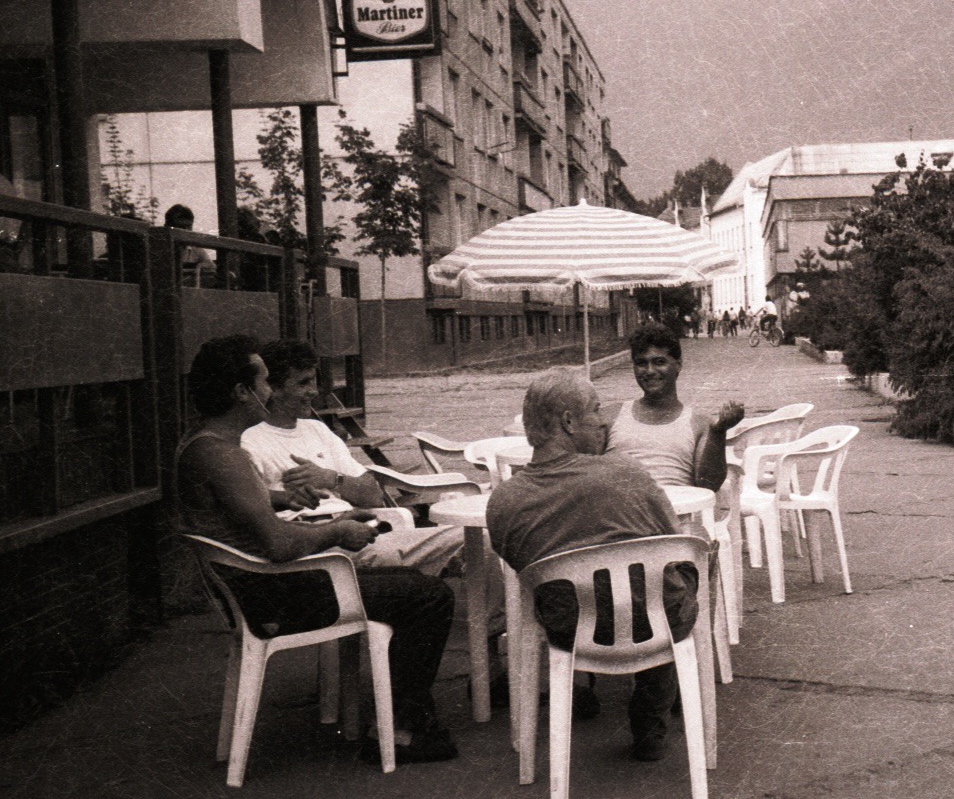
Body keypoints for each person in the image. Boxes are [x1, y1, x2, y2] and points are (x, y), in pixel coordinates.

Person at [175, 335, 457, 763]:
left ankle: (401, 718)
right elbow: (279, 542)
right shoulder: (223, 455)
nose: (268, 393)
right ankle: (401, 729)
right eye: (265, 382)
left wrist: (278, 499)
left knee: (410, 583)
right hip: (276, 594)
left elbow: (234, 509)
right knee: (429, 596)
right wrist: (339, 531)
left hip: (257, 587)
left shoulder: (204, 444)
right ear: (241, 392)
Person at [486, 370, 698, 762]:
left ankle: (582, 688)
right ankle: (652, 717)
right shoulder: (626, 473)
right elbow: (672, 547)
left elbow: (521, 567)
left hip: (569, 631)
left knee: (575, 589)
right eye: (596, 410)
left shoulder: (504, 501)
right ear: (568, 421)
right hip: (654, 625)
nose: (603, 421)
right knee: (684, 573)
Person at [241, 340, 463, 576]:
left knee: (476, 540)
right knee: (473, 540)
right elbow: (264, 526)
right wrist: (331, 526)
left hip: (360, 533)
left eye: (314, 380)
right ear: (273, 388)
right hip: (326, 549)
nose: (313, 391)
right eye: (303, 383)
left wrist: (331, 478)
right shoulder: (250, 442)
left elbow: (374, 494)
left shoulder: (316, 429)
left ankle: (487, 613)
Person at [606, 321, 744, 491]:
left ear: (678, 365)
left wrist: (718, 432)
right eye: (641, 363)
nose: (650, 371)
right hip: (621, 514)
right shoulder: (611, 416)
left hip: (676, 513)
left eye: (659, 362)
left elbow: (709, 484)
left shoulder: (700, 424)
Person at [164, 204, 214, 287]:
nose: (186, 231)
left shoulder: (196, 249)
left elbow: (211, 268)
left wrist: (203, 266)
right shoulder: (159, 248)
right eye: (181, 227)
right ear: (167, 226)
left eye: (189, 227)